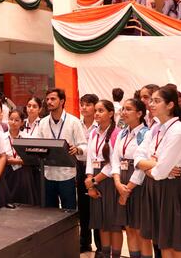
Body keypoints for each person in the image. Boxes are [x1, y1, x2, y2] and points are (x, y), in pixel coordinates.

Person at [135, 85, 181, 256]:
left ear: (170, 105)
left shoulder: (178, 131)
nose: (151, 104)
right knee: (164, 243)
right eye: (151, 101)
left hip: (173, 190)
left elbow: (160, 173)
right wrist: (154, 164)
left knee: (176, 245)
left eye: (157, 101)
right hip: (156, 188)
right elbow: (137, 156)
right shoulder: (156, 128)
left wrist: (150, 167)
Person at [112, 99, 151, 258]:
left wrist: (128, 188)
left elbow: (143, 165)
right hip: (121, 181)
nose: (123, 112)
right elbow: (115, 158)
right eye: (123, 109)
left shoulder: (146, 134)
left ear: (140, 113)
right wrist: (117, 182)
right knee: (129, 228)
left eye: (128, 109)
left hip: (138, 184)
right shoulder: (122, 132)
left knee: (141, 230)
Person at [37, 88, 86, 210]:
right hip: (48, 174)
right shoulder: (42, 123)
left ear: (62, 101)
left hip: (67, 174)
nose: (49, 102)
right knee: (50, 214)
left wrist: (78, 149)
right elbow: (38, 145)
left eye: (53, 99)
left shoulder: (74, 122)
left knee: (69, 212)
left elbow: (84, 145)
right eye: (47, 99)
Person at [85, 100, 121, 258]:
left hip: (110, 179)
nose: (97, 113)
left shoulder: (117, 133)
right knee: (101, 223)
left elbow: (113, 163)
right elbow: (89, 159)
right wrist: (90, 182)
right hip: (95, 179)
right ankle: (104, 254)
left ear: (111, 114)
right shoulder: (93, 132)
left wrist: (94, 181)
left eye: (101, 111)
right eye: (96, 111)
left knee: (113, 224)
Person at [78, 94, 101, 254]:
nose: (84, 108)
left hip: (97, 168)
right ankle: (84, 241)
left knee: (97, 205)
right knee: (83, 206)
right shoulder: (76, 124)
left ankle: (101, 244)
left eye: (88, 105)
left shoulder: (100, 125)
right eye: (82, 104)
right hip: (80, 166)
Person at [4, 109, 39, 205]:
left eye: (17, 120)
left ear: (22, 122)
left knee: (26, 203)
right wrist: (14, 161)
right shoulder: (1, 137)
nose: (13, 122)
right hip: (7, 172)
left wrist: (13, 161)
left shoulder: (28, 138)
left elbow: (33, 158)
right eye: (11, 119)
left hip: (24, 172)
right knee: (8, 203)